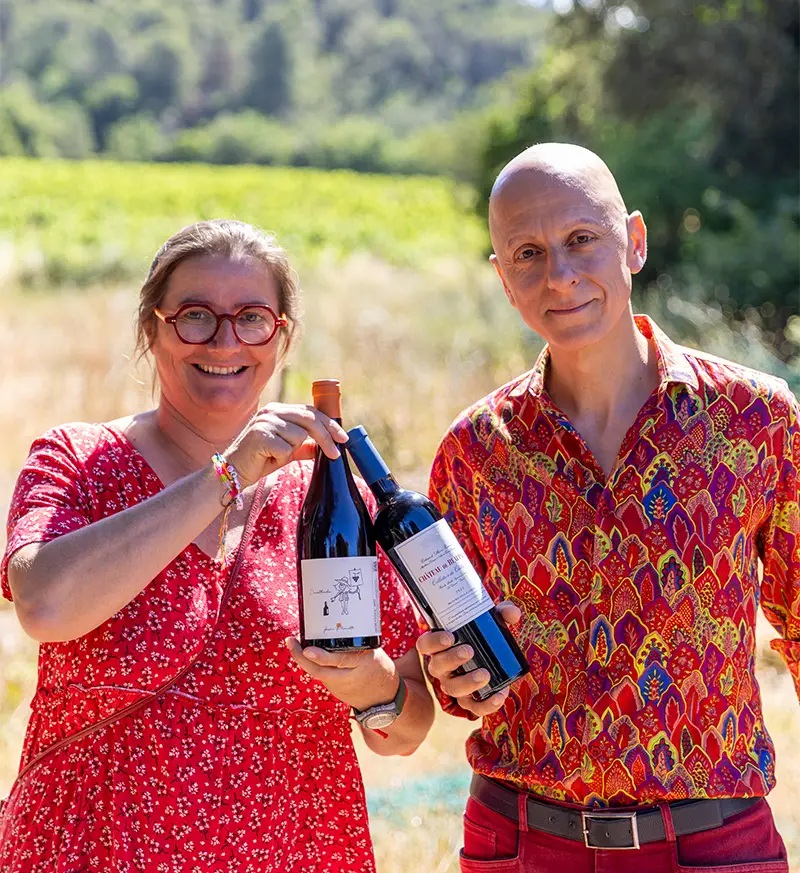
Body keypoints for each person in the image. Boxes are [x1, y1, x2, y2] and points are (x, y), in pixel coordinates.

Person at [0, 219, 434, 873]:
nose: (225, 341)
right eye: (196, 316)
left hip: (297, 851)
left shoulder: (336, 498)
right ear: (154, 327)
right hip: (87, 849)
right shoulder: (78, 461)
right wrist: (225, 475)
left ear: (281, 336)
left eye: (252, 317)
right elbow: (46, 606)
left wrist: (375, 687)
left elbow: (408, 729)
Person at [418, 143, 798, 872]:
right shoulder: (473, 452)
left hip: (714, 846)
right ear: (504, 279)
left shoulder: (758, 421)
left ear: (636, 240)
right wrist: (459, 681)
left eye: (581, 240)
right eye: (528, 253)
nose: (559, 275)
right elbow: (449, 671)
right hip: (520, 843)